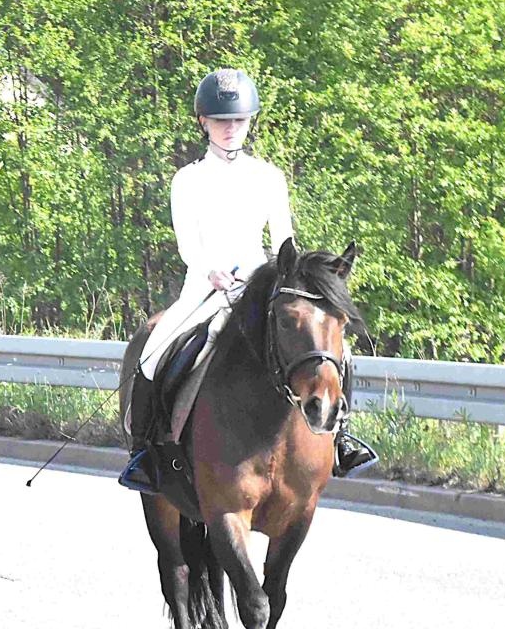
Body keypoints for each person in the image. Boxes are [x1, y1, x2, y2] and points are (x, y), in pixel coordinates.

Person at [121, 69, 375, 492]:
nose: (230, 128)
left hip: (261, 285)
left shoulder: (268, 177)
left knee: (335, 351)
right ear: (204, 122)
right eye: (221, 120)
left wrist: (289, 275)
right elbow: (187, 244)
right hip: (204, 288)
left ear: (249, 122)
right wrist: (211, 272)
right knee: (152, 353)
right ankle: (144, 454)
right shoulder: (188, 179)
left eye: (238, 120)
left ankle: (341, 438)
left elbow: (284, 240)